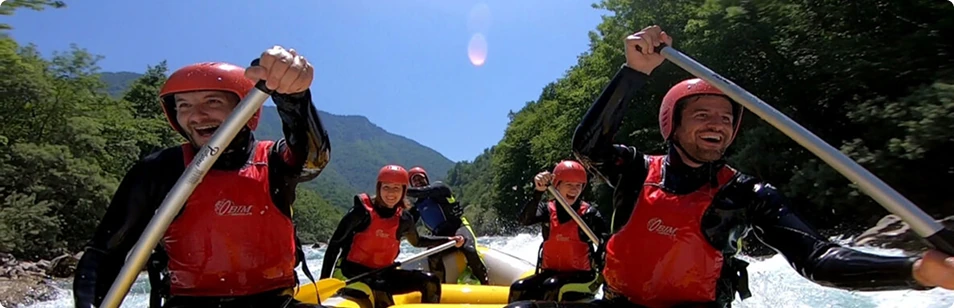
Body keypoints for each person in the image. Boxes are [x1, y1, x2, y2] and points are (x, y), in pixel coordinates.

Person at [506, 26, 954, 308]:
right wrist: (633, 72)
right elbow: (588, 146)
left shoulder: (747, 194)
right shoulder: (636, 169)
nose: (716, 125)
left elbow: (817, 259)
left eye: (725, 118)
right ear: (672, 124)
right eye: (702, 115)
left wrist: (916, 271)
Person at [73, 46, 333, 308]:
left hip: (274, 301)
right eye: (184, 106)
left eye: (213, 102)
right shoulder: (159, 170)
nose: (196, 115)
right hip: (188, 303)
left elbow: (312, 159)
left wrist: (294, 98)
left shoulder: (274, 161)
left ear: (246, 109)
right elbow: (105, 252)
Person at [320, 165, 466, 308]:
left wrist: (448, 240)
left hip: (383, 272)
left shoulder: (404, 218)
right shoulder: (361, 212)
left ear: (404, 191)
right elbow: (334, 245)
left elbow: (418, 241)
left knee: (430, 281)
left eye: (396, 188)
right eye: (386, 187)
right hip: (350, 272)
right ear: (379, 188)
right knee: (381, 290)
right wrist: (323, 281)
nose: (391, 193)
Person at [508, 160, 609, 303]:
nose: (574, 190)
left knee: (552, 286)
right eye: (569, 185)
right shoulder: (547, 210)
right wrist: (538, 192)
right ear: (557, 185)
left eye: (578, 186)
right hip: (551, 273)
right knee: (518, 288)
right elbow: (525, 220)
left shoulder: (589, 214)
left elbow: (606, 247)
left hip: (583, 277)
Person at [404, 166, 491, 285]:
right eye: (414, 180)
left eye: (420, 178)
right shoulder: (417, 207)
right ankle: (441, 287)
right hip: (441, 235)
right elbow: (405, 224)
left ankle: (484, 282)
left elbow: (423, 192)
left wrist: (399, 188)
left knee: (469, 249)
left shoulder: (440, 188)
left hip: (458, 227)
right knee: (433, 256)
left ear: (426, 179)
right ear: (412, 184)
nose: (418, 181)